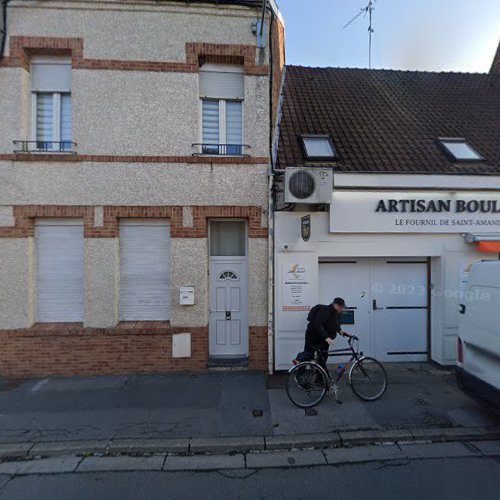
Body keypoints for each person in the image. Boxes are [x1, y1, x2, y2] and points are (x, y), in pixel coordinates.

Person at [301, 297, 350, 373]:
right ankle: (299, 376)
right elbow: (318, 324)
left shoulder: (337, 313)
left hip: (324, 339)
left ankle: (320, 380)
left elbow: (335, 324)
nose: (341, 309)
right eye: (340, 307)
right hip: (313, 336)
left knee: (323, 358)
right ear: (335, 304)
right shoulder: (325, 310)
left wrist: (340, 330)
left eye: (342, 307)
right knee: (308, 355)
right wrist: (326, 337)